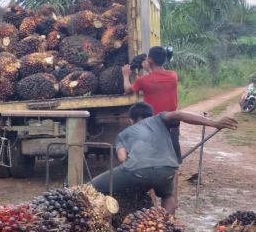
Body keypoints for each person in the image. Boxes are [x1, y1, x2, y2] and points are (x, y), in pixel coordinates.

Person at [91, 102, 236, 215]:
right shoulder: (159, 119)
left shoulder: (124, 134)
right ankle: (168, 227)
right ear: (151, 114)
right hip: (167, 170)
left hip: (137, 171)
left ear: (131, 120)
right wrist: (214, 123)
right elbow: (179, 114)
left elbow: (123, 158)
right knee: (167, 195)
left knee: (92, 187)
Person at [122, 45, 181, 161]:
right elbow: (156, 79)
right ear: (165, 60)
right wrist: (149, 70)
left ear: (149, 60)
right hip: (172, 123)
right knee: (173, 161)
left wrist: (125, 76)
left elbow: (127, 89)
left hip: (153, 126)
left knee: (153, 159)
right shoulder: (173, 76)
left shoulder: (142, 81)